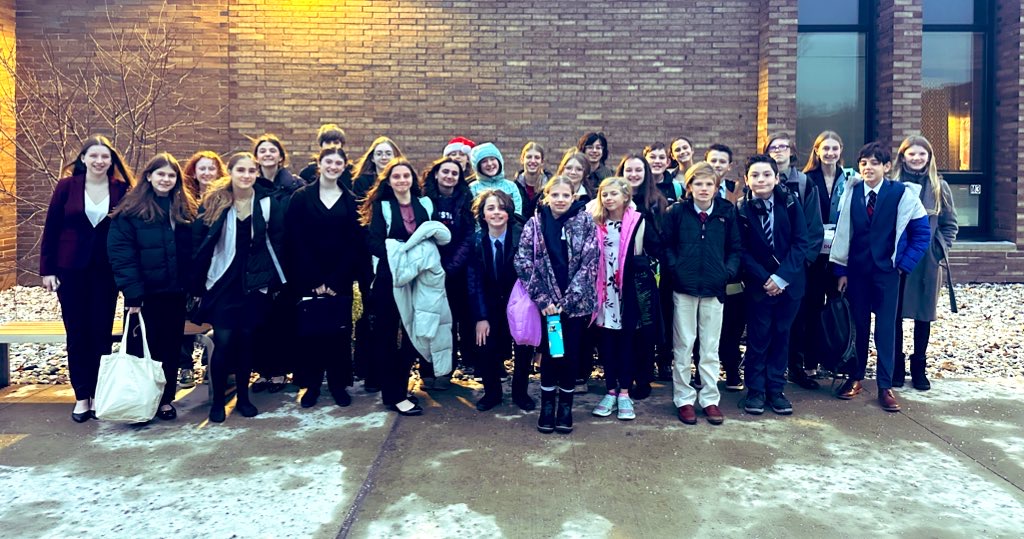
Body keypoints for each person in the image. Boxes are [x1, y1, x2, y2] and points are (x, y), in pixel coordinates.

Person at [40, 135, 134, 423]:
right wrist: (47, 270)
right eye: (93, 156)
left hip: (106, 272)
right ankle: (82, 396)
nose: (99, 161)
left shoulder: (121, 189)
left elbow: (127, 233)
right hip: (71, 271)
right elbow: (52, 227)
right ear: (83, 159)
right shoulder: (67, 186)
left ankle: (100, 394)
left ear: (111, 161)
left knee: (101, 333)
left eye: (104, 156)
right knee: (77, 332)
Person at [830, 142, 930, 413]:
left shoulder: (903, 194)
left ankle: (885, 386)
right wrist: (841, 270)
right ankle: (856, 377)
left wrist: (903, 265)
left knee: (885, 329)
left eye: (874, 163)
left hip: (888, 273)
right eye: (863, 163)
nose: (867, 167)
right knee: (858, 327)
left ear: (887, 167)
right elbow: (842, 234)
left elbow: (922, 234)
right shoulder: (851, 192)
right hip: (857, 273)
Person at [192, 152, 287, 422]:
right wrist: (197, 280)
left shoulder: (267, 203)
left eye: (251, 171)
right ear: (230, 172)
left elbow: (278, 241)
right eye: (241, 170)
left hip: (254, 282)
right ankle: (217, 403)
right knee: (223, 341)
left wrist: (271, 278)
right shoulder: (216, 200)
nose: (246, 175)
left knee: (246, 341)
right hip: (223, 280)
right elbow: (200, 240)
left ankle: (244, 399)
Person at [108, 152, 197, 421]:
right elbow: (121, 253)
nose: (166, 179)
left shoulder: (184, 208)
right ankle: (141, 401)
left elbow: (192, 250)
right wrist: (132, 291)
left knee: (170, 348)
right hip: (143, 295)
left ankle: (166, 399)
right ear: (149, 176)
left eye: (171, 175)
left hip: (175, 293)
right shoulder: (131, 210)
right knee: (142, 348)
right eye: (161, 174)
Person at [361, 157, 447, 416]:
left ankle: (399, 387)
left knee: (415, 334)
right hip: (391, 278)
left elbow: (433, 236)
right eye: (396, 176)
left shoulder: (426, 204)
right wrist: (402, 256)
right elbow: (374, 242)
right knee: (387, 336)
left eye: (406, 176)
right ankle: (394, 394)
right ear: (388, 181)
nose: (401, 180)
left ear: (413, 179)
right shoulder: (382, 207)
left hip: (421, 279)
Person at [285, 147, 367, 409]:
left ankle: (337, 384)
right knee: (310, 332)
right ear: (319, 164)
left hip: (339, 278)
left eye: (338, 163)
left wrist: (334, 281)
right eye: (328, 162)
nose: (333, 166)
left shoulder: (350, 200)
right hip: (307, 277)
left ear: (344, 167)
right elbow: (294, 240)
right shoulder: (301, 197)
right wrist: (314, 280)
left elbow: (354, 244)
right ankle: (311, 385)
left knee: (338, 333)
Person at [515, 176, 598, 434]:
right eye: (556, 195)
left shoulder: (585, 222)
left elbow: (590, 262)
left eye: (566, 195)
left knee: (570, 356)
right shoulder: (536, 224)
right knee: (552, 355)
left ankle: (566, 407)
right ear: (546, 196)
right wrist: (545, 300)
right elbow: (523, 261)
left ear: (573, 197)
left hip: (574, 307)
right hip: (548, 308)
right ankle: (547, 406)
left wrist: (568, 300)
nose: (561, 200)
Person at [660, 162, 742, 425]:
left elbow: (735, 248)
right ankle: (684, 399)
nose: (704, 189)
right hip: (684, 288)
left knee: (709, 347)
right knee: (683, 345)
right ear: (689, 186)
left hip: (713, 289)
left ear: (717, 188)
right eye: (699, 183)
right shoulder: (677, 212)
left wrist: (726, 272)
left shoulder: (726, 212)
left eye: (709, 184)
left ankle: (709, 399)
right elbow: (667, 246)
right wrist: (676, 270)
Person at [737, 155, 811, 416]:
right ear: (746, 180)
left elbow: (801, 242)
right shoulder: (741, 210)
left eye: (766, 175)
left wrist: (781, 278)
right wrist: (765, 279)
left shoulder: (790, 203)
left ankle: (776, 389)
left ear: (776, 178)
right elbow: (742, 250)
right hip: (759, 286)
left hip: (789, 284)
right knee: (759, 338)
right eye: (755, 175)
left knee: (782, 335)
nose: (761, 180)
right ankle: (755, 390)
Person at [892, 135, 959, 391]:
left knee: (923, 315)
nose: (917, 158)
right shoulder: (893, 184)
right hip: (897, 260)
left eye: (922, 154)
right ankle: (896, 366)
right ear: (903, 156)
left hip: (927, 261)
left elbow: (950, 224)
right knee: (894, 314)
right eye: (912, 154)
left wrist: (938, 251)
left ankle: (919, 367)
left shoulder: (939, 186)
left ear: (929, 157)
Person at [761, 133, 825, 390]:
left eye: (783, 146)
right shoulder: (759, 179)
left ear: (792, 151)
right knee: (765, 323)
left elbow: (813, 227)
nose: (778, 150)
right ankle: (764, 373)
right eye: (773, 147)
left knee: (796, 321)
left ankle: (795, 368)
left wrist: (800, 265)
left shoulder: (804, 183)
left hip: (796, 266)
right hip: (765, 270)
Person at [590, 177, 653, 420]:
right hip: (604, 294)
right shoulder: (595, 222)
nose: (608, 198)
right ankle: (610, 391)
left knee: (627, 343)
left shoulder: (638, 222)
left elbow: (650, 253)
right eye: (604, 194)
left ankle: (625, 392)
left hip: (628, 293)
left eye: (614, 194)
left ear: (626, 196)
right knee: (607, 345)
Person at [467, 189, 535, 411]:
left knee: (523, 348)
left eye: (502, 208)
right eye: (490, 208)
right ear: (482, 215)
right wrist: (481, 317)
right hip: (490, 303)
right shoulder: (477, 242)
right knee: (484, 344)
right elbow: (474, 282)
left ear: (509, 212)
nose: (497, 213)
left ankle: (520, 393)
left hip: (519, 302)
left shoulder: (522, 237)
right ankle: (492, 393)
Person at [802, 131, 859, 376]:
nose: (830, 153)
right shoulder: (806, 179)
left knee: (839, 306)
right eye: (825, 148)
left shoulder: (850, 179)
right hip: (814, 253)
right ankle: (810, 360)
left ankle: (838, 357)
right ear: (816, 151)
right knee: (812, 305)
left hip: (841, 253)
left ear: (841, 150)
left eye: (834, 148)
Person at [251, 134, 301, 393]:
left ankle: (281, 370)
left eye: (273, 150)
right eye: (263, 150)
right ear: (257, 157)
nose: (268, 154)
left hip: (287, 261)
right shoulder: (250, 185)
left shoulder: (295, 185)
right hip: (258, 262)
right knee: (259, 317)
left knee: (283, 317)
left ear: (281, 156)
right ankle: (262, 371)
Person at [615, 153, 668, 399]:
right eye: (629, 170)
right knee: (621, 329)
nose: (633, 175)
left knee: (644, 329)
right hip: (615, 276)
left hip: (643, 276)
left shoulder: (655, 202)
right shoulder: (612, 199)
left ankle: (644, 378)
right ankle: (621, 376)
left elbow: (660, 242)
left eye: (638, 170)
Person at [421, 157, 475, 388]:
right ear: (436, 173)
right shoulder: (424, 200)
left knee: (448, 322)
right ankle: (426, 370)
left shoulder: (464, 201)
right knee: (428, 321)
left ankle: (445, 372)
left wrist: (451, 267)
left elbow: (469, 237)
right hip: (427, 272)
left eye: (455, 173)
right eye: (445, 172)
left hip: (455, 274)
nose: (449, 176)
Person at [178, 150, 228, 388]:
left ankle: (214, 365)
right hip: (189, 267)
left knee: (218, 320)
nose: (207, 173)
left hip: (217, 269)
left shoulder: (226, 197)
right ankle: (185, 366)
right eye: (202, 168)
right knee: (185, 316)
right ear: (194, 172)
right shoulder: (184, 198)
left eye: (212, 168)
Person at [705, 143, 745, 391]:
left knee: (732, 324)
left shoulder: (737, 192)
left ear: (729, 166)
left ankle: (731, 369)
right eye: (713, 160)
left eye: (722, 161)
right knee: (705, 328)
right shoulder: (694, 193)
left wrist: (731, 269)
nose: (717, 165)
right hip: (702, 274)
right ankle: (703, 373)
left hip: (731, 273)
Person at [468, 142, 524, 216]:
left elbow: (517, 214)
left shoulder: (511, 187)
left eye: (492, 159)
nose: (490, 164)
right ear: (478, 166)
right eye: (484, 161)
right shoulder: (473, 188)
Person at [352, 136, 404, 201]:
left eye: (388, 154)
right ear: (372, 158)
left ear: (395, 157)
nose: (384, 157)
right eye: (379, 154)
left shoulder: (404, 180)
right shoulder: (361, 182)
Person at [514, 141, 551, 219]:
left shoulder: (550, 188)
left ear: (542, 162)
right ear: (522, 159)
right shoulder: (514, 188)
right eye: (529, 157)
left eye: (537, 158)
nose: (533, 161)